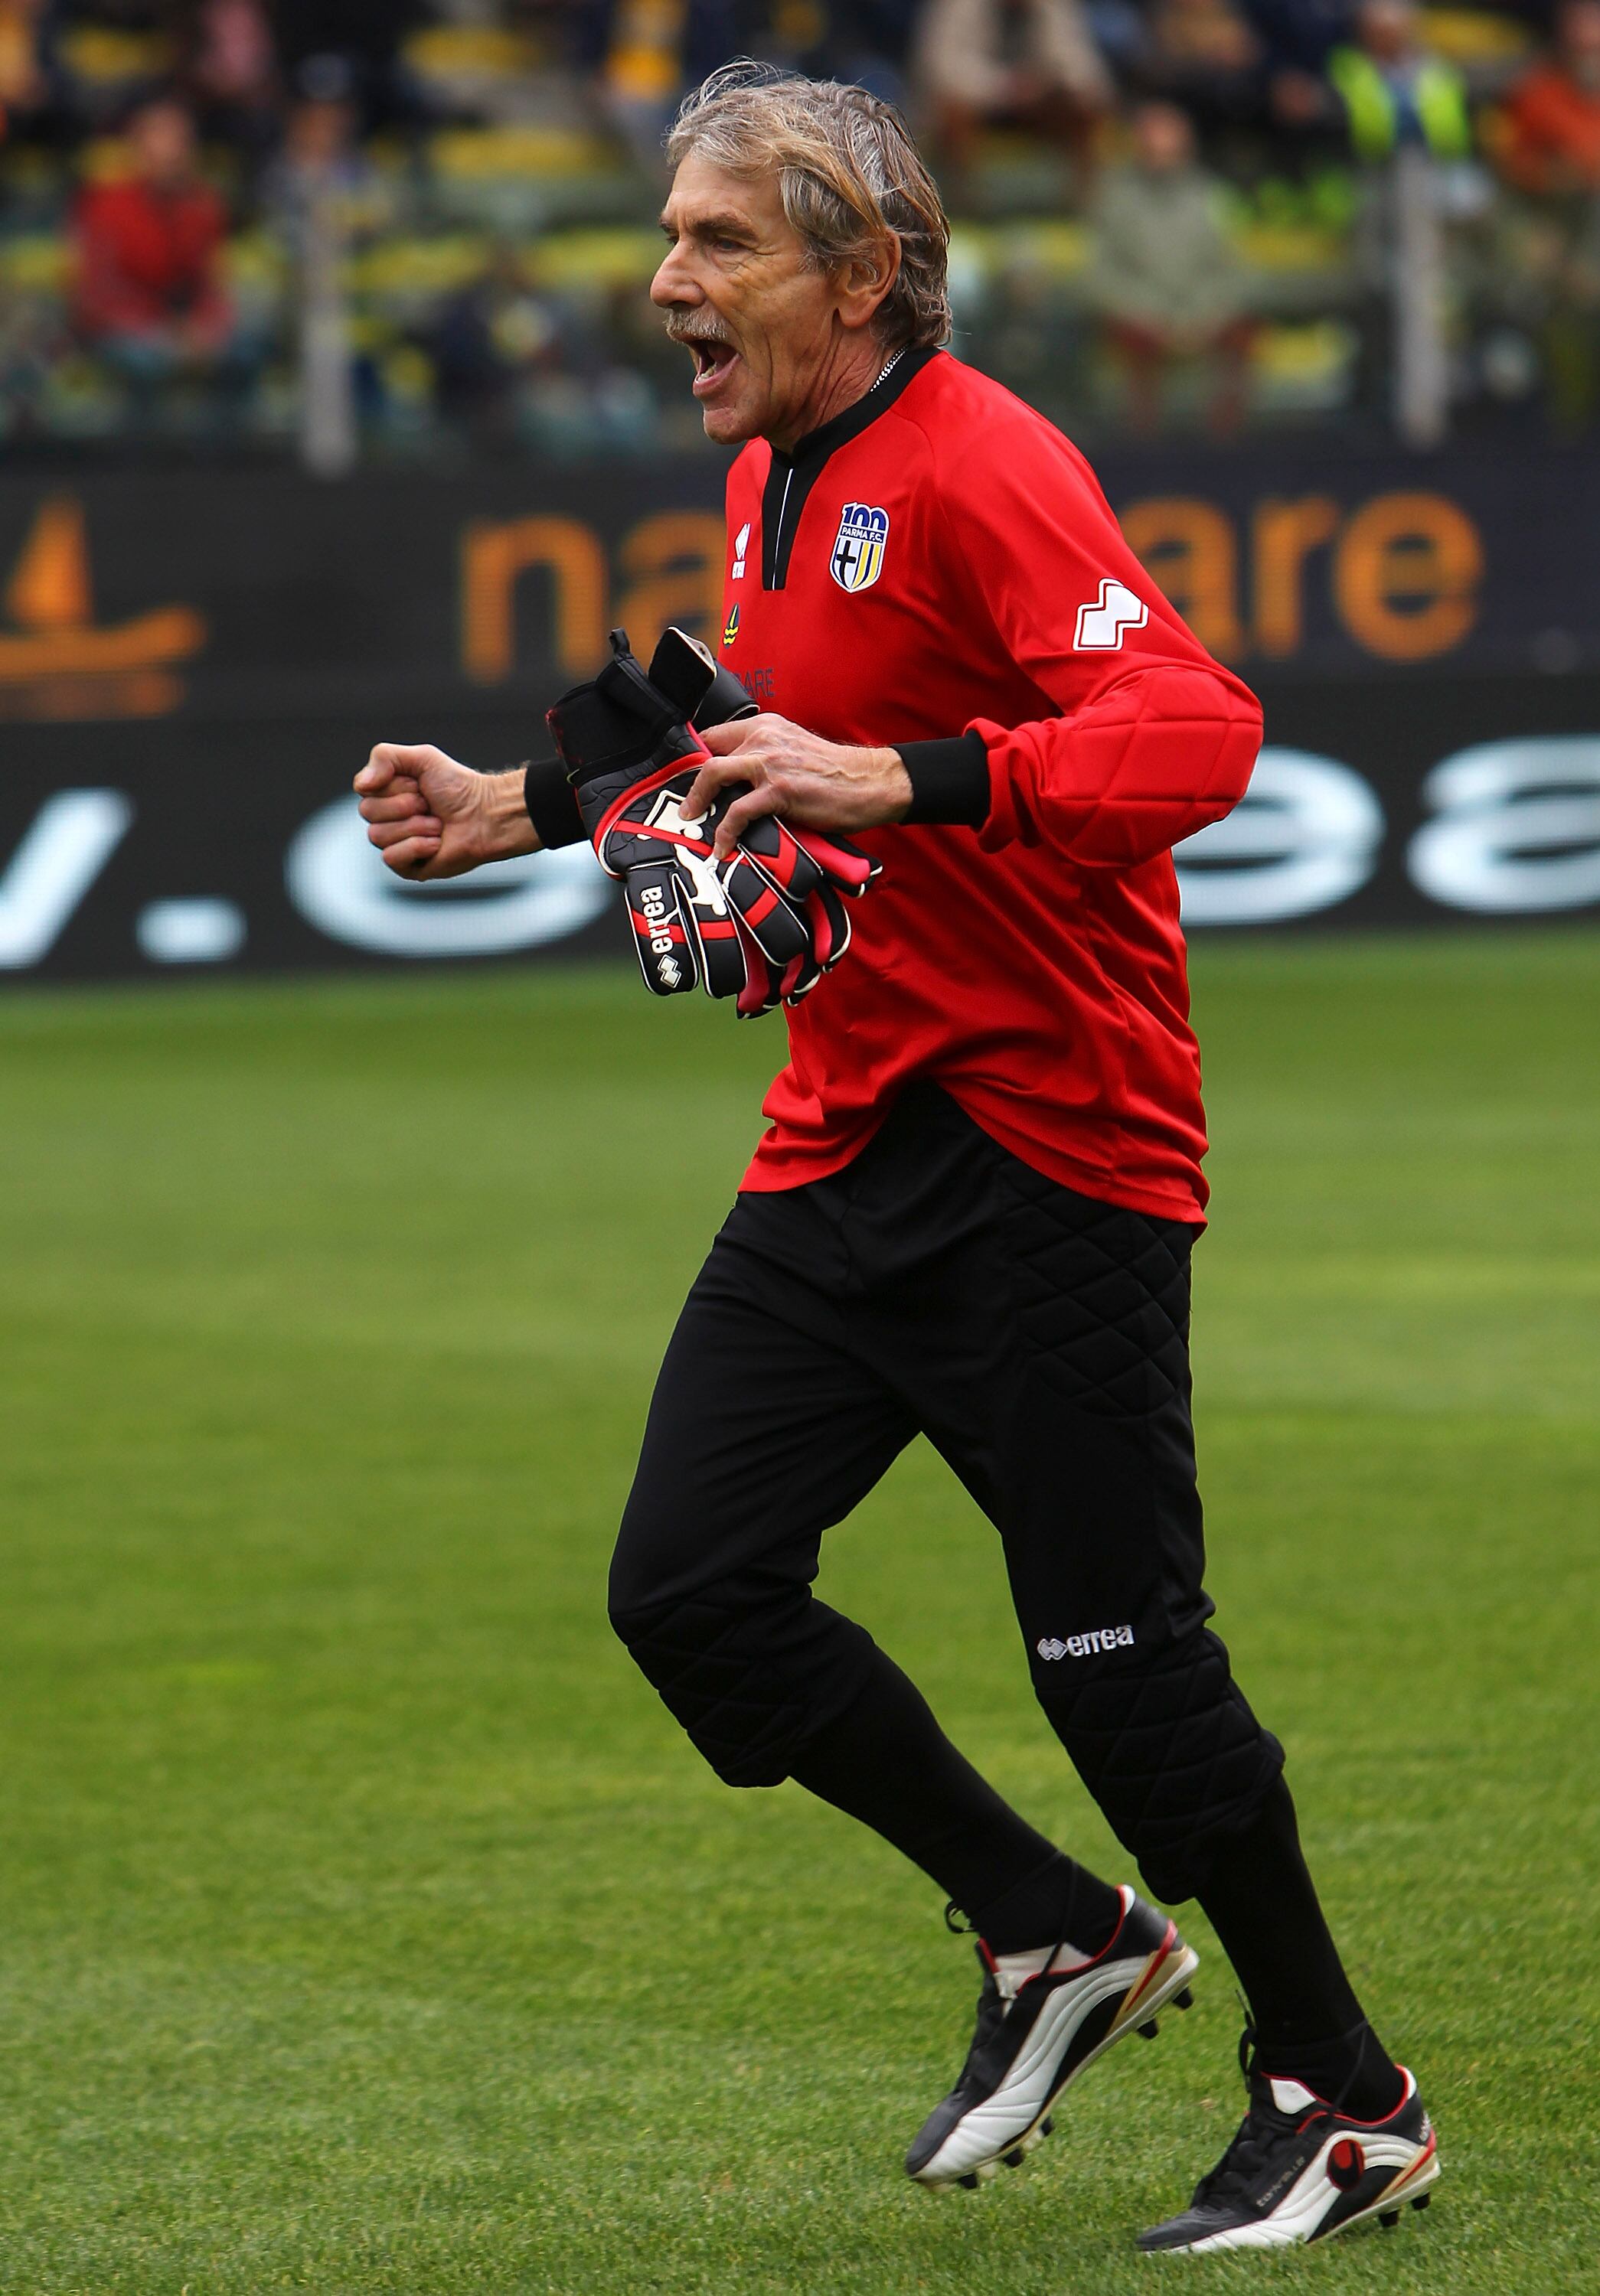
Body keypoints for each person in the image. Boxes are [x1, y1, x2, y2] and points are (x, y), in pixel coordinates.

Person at [352, 62, 1440, 2254]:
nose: (668, 274)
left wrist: (914, 782)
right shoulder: (779, 462)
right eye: (670, 234)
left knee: (1127, 1670)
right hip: (847, 1142)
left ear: (862, 271)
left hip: (1057, 1152)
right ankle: (1052, 1930)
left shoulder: (985, 459)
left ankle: (1341, 2093)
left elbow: (1198, 730)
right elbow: (749, 717)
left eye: (718, 240)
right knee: (691, 1595)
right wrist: (514, 805)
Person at [72, 94, 250, 425]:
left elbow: (212, 284)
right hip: (128, 331)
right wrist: (166, 333)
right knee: (144, 362)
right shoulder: (105, 206)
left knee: (243, 350)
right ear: (138, 146)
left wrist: (207, 326)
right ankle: (138, 459)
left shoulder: (203, 205)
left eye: (182, 140)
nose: (174, 150)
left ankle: (222, 462)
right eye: (162, 138)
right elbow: (97, 295)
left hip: (183, 331)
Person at [1087, 99, 1256, 433]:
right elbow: (1100, 274)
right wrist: (1151, 314)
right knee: (1132, 340)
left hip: (1203, 315)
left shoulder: (1212, 196)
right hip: (1142, 317)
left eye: (1169, 143)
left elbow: (1234, 269)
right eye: (1152, 142)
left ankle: (1227, 443)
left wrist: (1203, 315)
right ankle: (1143, 446)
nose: (1161, 152)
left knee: (1243, 332)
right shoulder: (1114, 199)